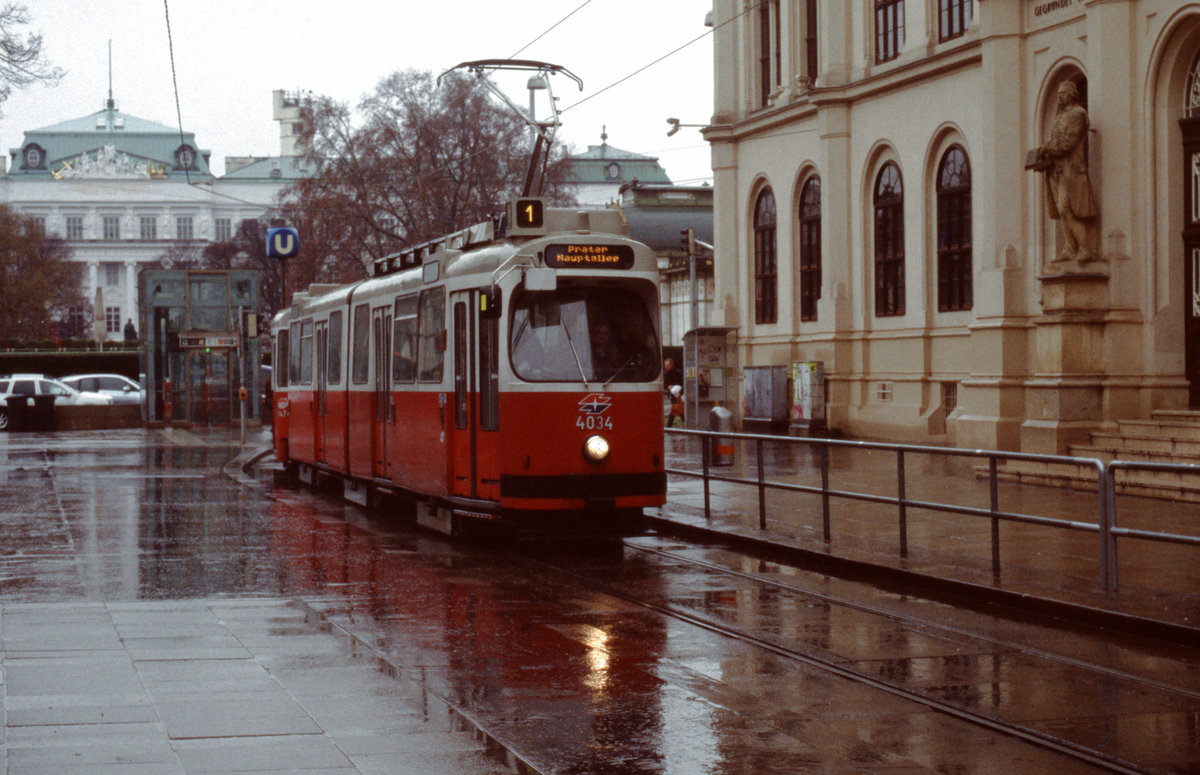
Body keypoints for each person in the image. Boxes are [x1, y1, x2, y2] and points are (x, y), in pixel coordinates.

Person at [1032, 80, 1098, 264]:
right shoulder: (1060, 116)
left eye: (1062, 93)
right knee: (1061, 211)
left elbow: (1068, 142)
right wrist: (1044, 156)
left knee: (1066, 208)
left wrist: (1047, 148)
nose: (1059, 96)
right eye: (1058, 93)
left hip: (1072, 170)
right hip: (1057, 170)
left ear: (1071, 94)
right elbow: (1056, 141)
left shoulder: (1078, 114)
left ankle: (1084, 247)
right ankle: (1070, 248)